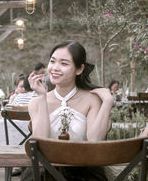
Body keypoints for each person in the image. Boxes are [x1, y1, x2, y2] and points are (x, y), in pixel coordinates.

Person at [24, 40, 114, 180]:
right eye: (52, 61)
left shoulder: (92, 99)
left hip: (85, 173)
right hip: (46, 173)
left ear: (79, 69)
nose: (55, 68)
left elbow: (95, 140)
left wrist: (108, 102)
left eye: (64, 63)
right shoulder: (36, 102)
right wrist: (42, 97)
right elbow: (40, 142)